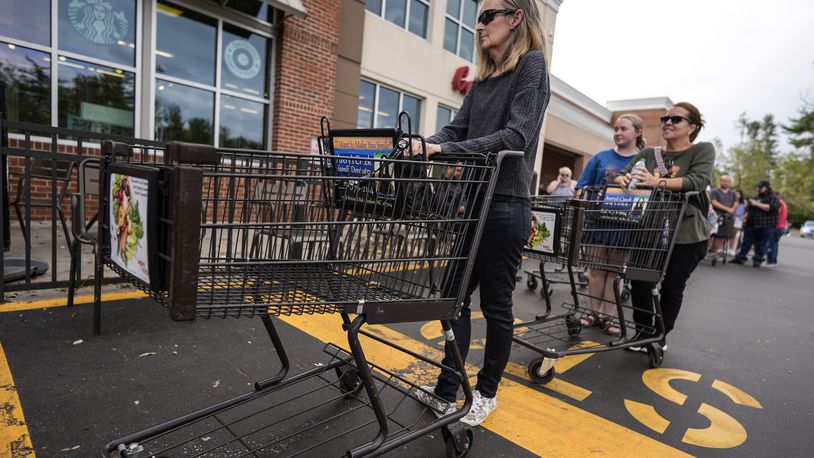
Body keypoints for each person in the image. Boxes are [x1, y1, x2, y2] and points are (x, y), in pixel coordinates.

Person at [409, 0, 550, 426]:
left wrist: (444, 149)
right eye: (479, 18)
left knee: (496, 306)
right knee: (451, 302)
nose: (480, 24)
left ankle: (486, 393)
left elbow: (516, 135)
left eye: (488, 15)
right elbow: (456, 129)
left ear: (516, 17)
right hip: (473, 204)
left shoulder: (533, 65)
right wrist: (420, 143)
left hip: (505, 205)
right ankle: (446, 389)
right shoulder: (484, 79)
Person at [614, 102, 715, 352]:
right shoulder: (649, 154)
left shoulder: (702, 150)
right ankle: (642, 333)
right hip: (651, 230)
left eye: (676, 119)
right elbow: (622, 174)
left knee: (671, 287)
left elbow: (698, 181)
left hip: (688, 234)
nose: (668, 122)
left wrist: (657, 181)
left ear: (691, 127)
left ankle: (659, 336)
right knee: (639, 281)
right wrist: (624, 178)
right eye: (665, 118)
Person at [575, 114, 645, 335]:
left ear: (637, 132)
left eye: (623, 129)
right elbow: (583, 186)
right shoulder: (600, 158)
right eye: (616, 129)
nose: (618, 133)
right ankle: (594, 313)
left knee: (614, 273)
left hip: (625, 224)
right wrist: (584, 196)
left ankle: (609, 318)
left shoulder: (644, 161)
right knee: (596, 271)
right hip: (598, 221)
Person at [731, 180, 780, 268]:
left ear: (766, 187)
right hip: (751, 224)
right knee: (746, 242)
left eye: (760, 187)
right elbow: (748, 210)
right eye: (757, 187)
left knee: (761, 244)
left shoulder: (773, 197)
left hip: (765, 225)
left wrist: (756, 203)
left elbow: (771, 208)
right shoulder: (756, 196)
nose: (758, 189)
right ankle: (740, 258)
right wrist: (748, 205)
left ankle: (757, 260)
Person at [708, 175, 739, 260]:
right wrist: (728, 209)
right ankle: (706, 251)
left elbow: (736, 203)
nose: (726, 182)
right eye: (724, 181)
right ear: (720, 181)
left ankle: (714, 252)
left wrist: (732, 209)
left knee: (720, 236)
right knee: (710, 234)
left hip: (727, 218)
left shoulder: (733, 193)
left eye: (728, 181)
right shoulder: (715, 191)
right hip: (715, 216)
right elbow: (713, 202)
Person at [766, 194, 788, 267]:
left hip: (777, 226)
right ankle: (773, 261)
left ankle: (771, 261)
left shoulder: (778, 203)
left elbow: (776, 212)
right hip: (781, 226)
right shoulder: (783, 203)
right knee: (775, 244)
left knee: (771, 244)